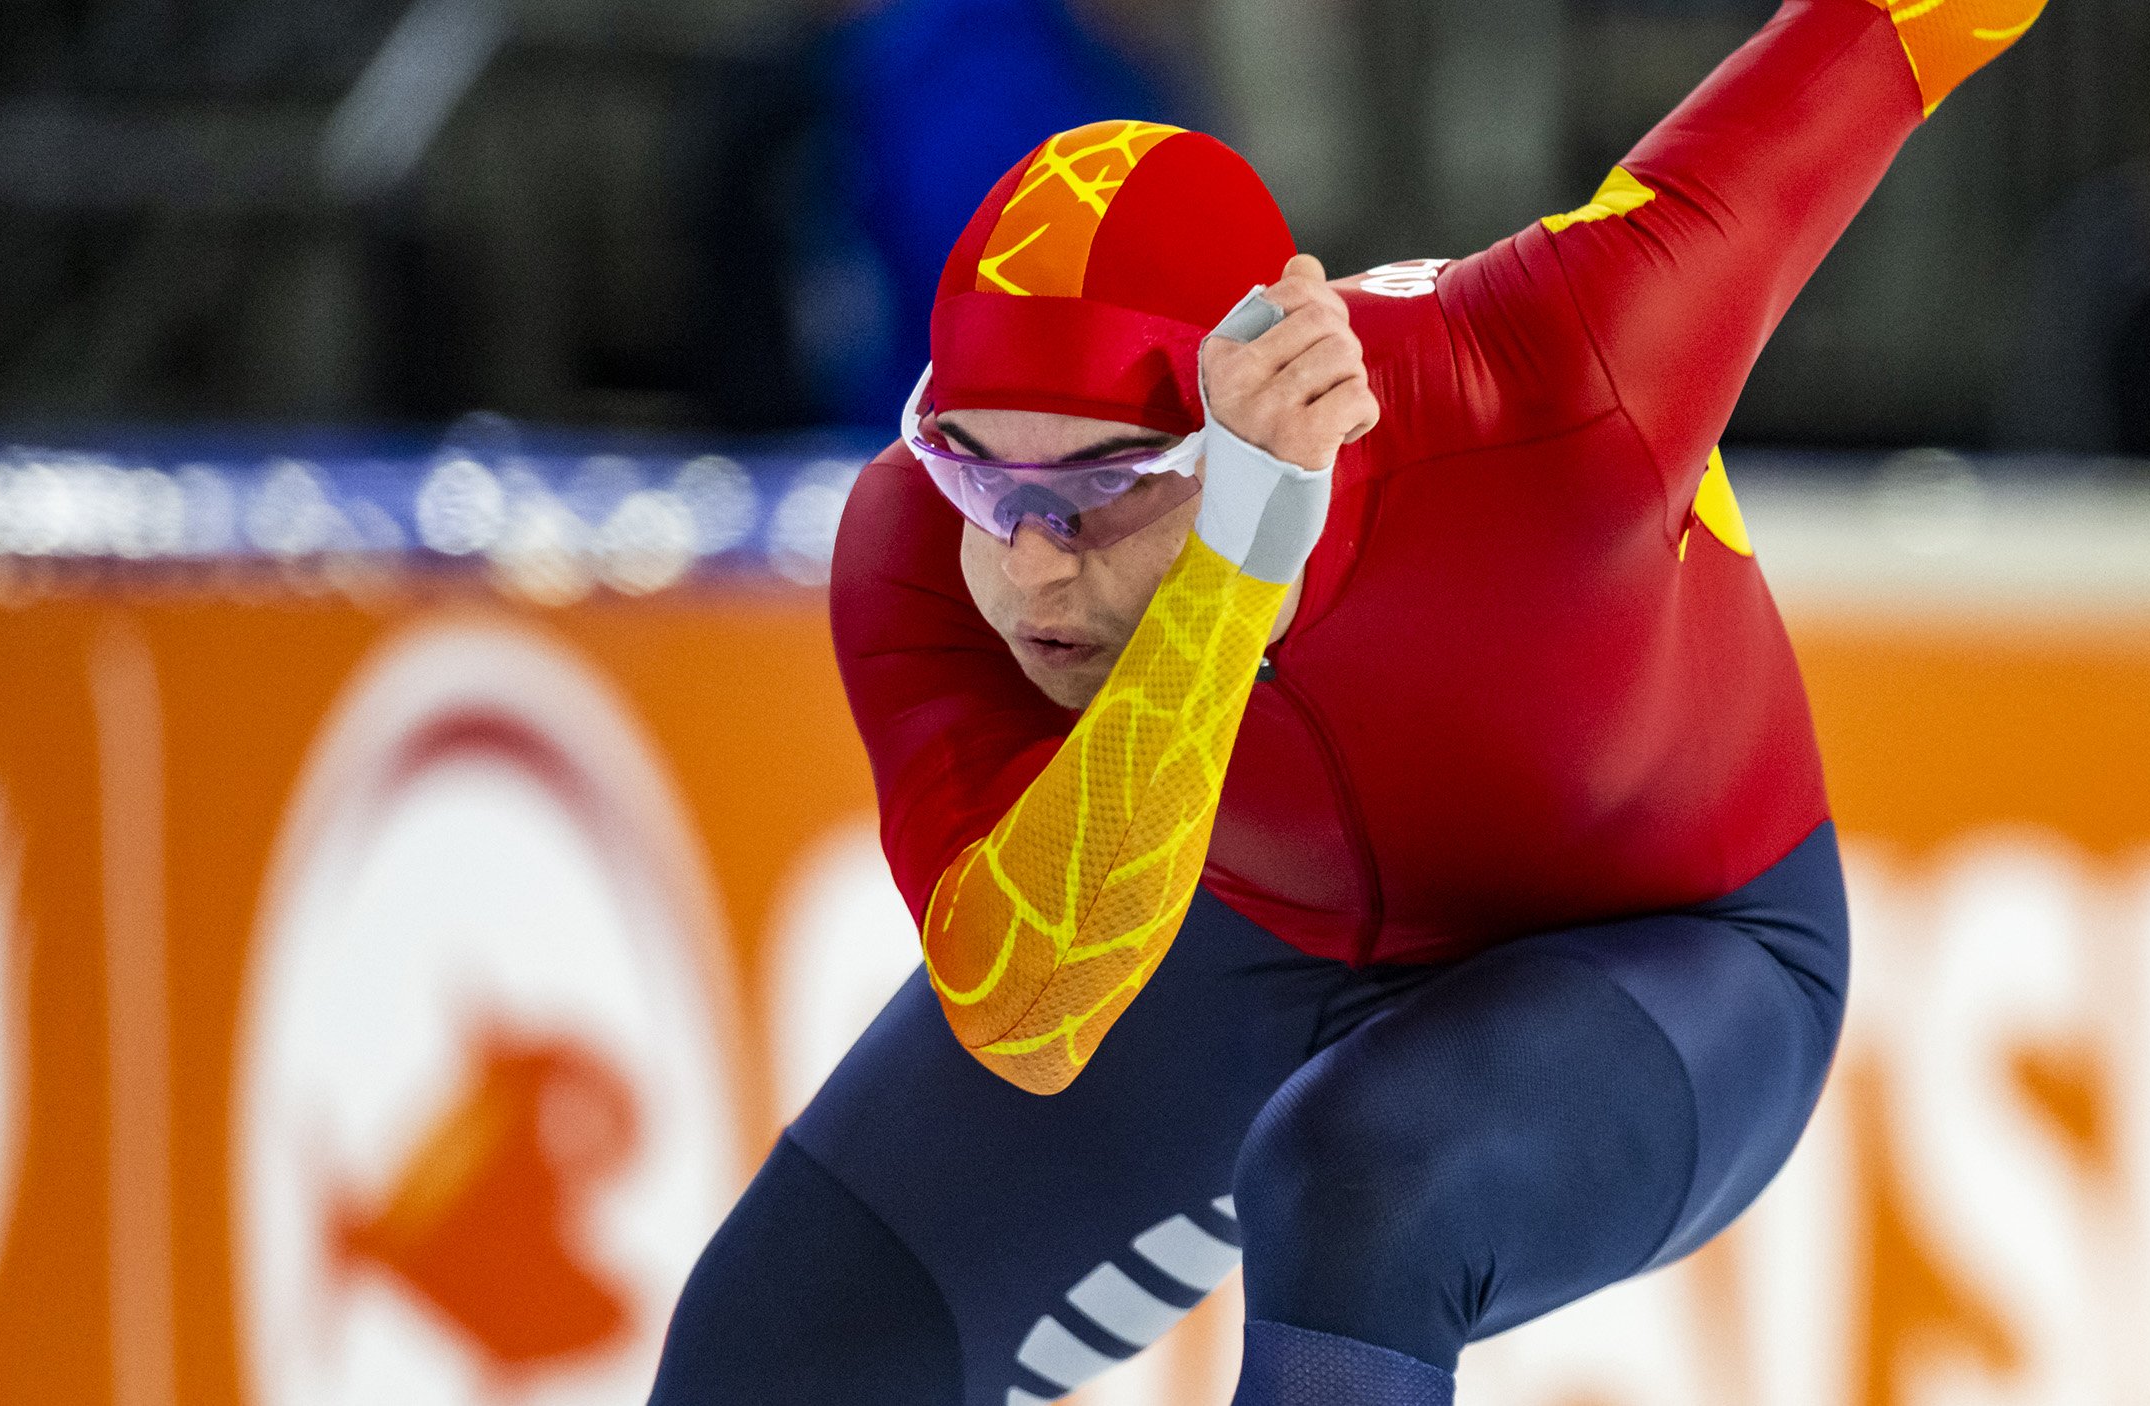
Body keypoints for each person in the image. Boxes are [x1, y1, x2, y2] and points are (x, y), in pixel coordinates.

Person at [650, 2, 2047, 1402]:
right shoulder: (916, 544)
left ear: (1256, 414)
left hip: (1683, 946)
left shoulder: (1562, 368)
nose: (1026, 565)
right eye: (981, 476)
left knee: (1360, 1181)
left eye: (1099, 494)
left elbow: (1883, 37)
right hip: (1254, 919)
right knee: (774, 1346)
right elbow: (1036, 1007)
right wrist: (1231, 561)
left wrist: (1248, 546)